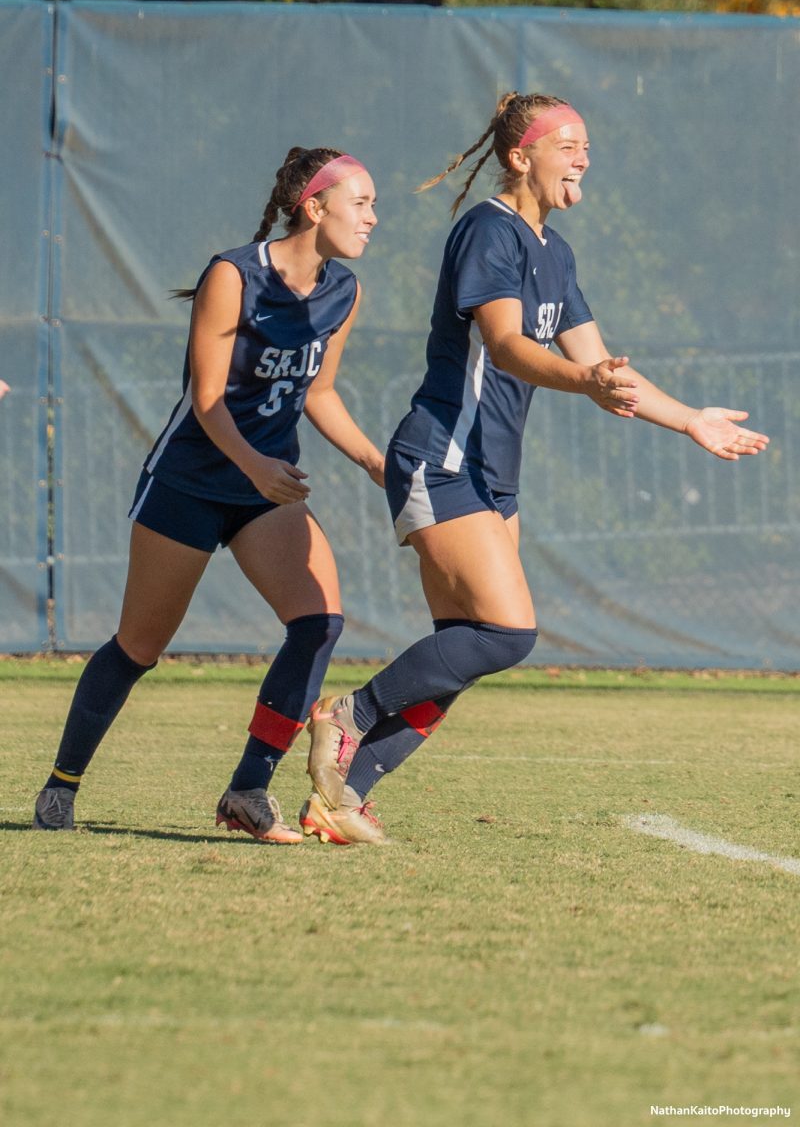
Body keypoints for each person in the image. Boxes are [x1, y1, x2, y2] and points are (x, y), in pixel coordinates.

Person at [298, 92, 770, 846]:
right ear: (522, 158)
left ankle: (340, 794)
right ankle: (346, 715)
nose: (584, 156)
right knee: (509, 634)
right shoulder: (490, 230)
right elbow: (511, 345)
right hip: (444, 454)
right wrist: (584, 383)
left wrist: (690, 421)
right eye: (568, 144)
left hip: (490, 474)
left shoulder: (555, 251)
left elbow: (598, 362)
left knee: (462, 648)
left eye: (588, 144)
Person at [33, 147, 383, 841]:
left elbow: (321, 393)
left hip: (265, 488)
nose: (374, 217)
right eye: (362, 202)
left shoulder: (344, 291)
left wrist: (377, 460)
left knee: (318, 625)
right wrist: (254, 466)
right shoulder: (235, 273)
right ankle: (60, 786)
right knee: (139, 645)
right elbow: (208, 398)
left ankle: (249, 791)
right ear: (313, 207)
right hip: (192, 481)